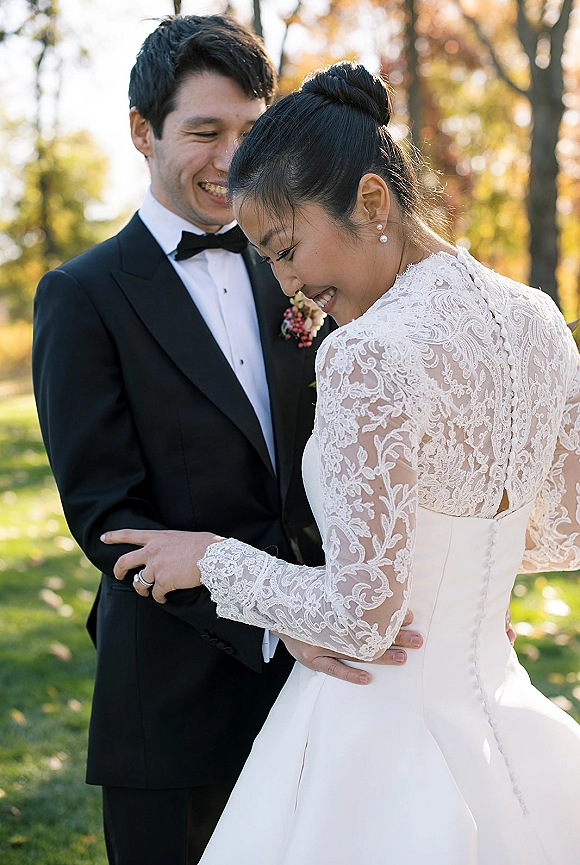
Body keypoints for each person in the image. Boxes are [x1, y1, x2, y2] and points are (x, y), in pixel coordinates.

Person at [103, 61, 580, 863]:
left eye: (286, 249)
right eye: (269, 263)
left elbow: (363, 621)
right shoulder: (534, 315)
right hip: (495, 711)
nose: (289, 285)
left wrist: (213, 560)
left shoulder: (368, 351)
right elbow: (566, 535)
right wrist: (458, 579)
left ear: (371, 199)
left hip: (377, 735)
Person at [32, 21, 422, 865]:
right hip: (173, 702)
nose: (233, 157)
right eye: (206, 132)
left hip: (332, 687)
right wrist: (277, 625)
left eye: (252, 129)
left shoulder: (303, 257)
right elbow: (108, 518)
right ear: (143, 131)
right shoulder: (81, 295)